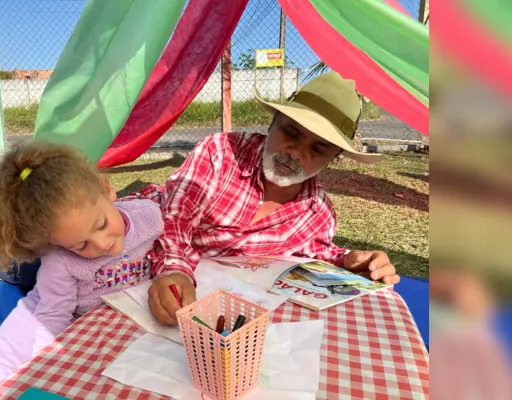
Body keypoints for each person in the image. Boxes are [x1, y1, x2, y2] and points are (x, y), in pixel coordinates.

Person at [131, 72, 402, 325]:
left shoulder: (317, 212)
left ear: (333, 158)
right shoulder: (220, 154)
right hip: (138, 250)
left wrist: (351, 260)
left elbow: (316, 252)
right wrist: (174, 271)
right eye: (292, 133)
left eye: (318, 149)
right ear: (272, 123)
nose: (295, 154)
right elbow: (175, 221)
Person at [0, 141, 162, 399]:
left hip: (107, 322)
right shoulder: (59, 261)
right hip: (46, 314)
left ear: (107, 190)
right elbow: (53, 315)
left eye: (102, 224)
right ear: (56, 244)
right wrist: (45, 365)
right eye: (81, 244)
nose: (103, 244)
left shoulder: (149, 217)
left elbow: (172, 248)